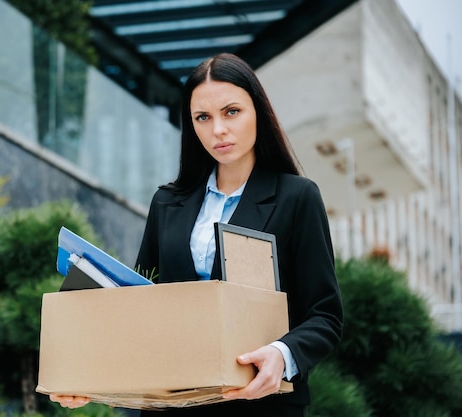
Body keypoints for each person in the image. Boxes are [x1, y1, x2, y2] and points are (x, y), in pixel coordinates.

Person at [50, 53, 343, 416]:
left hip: (260, 406)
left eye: (231, 112)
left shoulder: (297, 198)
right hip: (173, 405)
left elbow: (325, 315)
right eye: (202, 117)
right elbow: (139, 309)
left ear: (258, 113)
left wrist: (282, 356)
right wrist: (87, 377)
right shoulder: (167, 203)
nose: (218, 129)